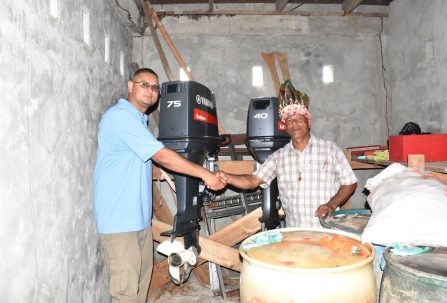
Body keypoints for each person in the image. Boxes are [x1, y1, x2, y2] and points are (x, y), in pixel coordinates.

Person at [93, 67, 226, 303]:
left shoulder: (139, 122)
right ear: (130, 86)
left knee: (141, 287)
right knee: (126, 293)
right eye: (144, 84)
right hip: (119, 222)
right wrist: (204, 174)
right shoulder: (120, 117)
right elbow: (161, 155)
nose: (151, 91)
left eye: (155, 88)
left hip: (139, 221)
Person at [219, 100, 357, 228]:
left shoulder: (329, 149)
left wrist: (331, 205)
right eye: (290, 120)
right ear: (285, 127)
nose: (295, 123)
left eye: (299, 118)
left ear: (309, 123)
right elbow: (253, 180)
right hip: (295, 232)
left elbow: (350, 182)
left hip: (326, 228)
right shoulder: (279, 156)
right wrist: (227, 177)